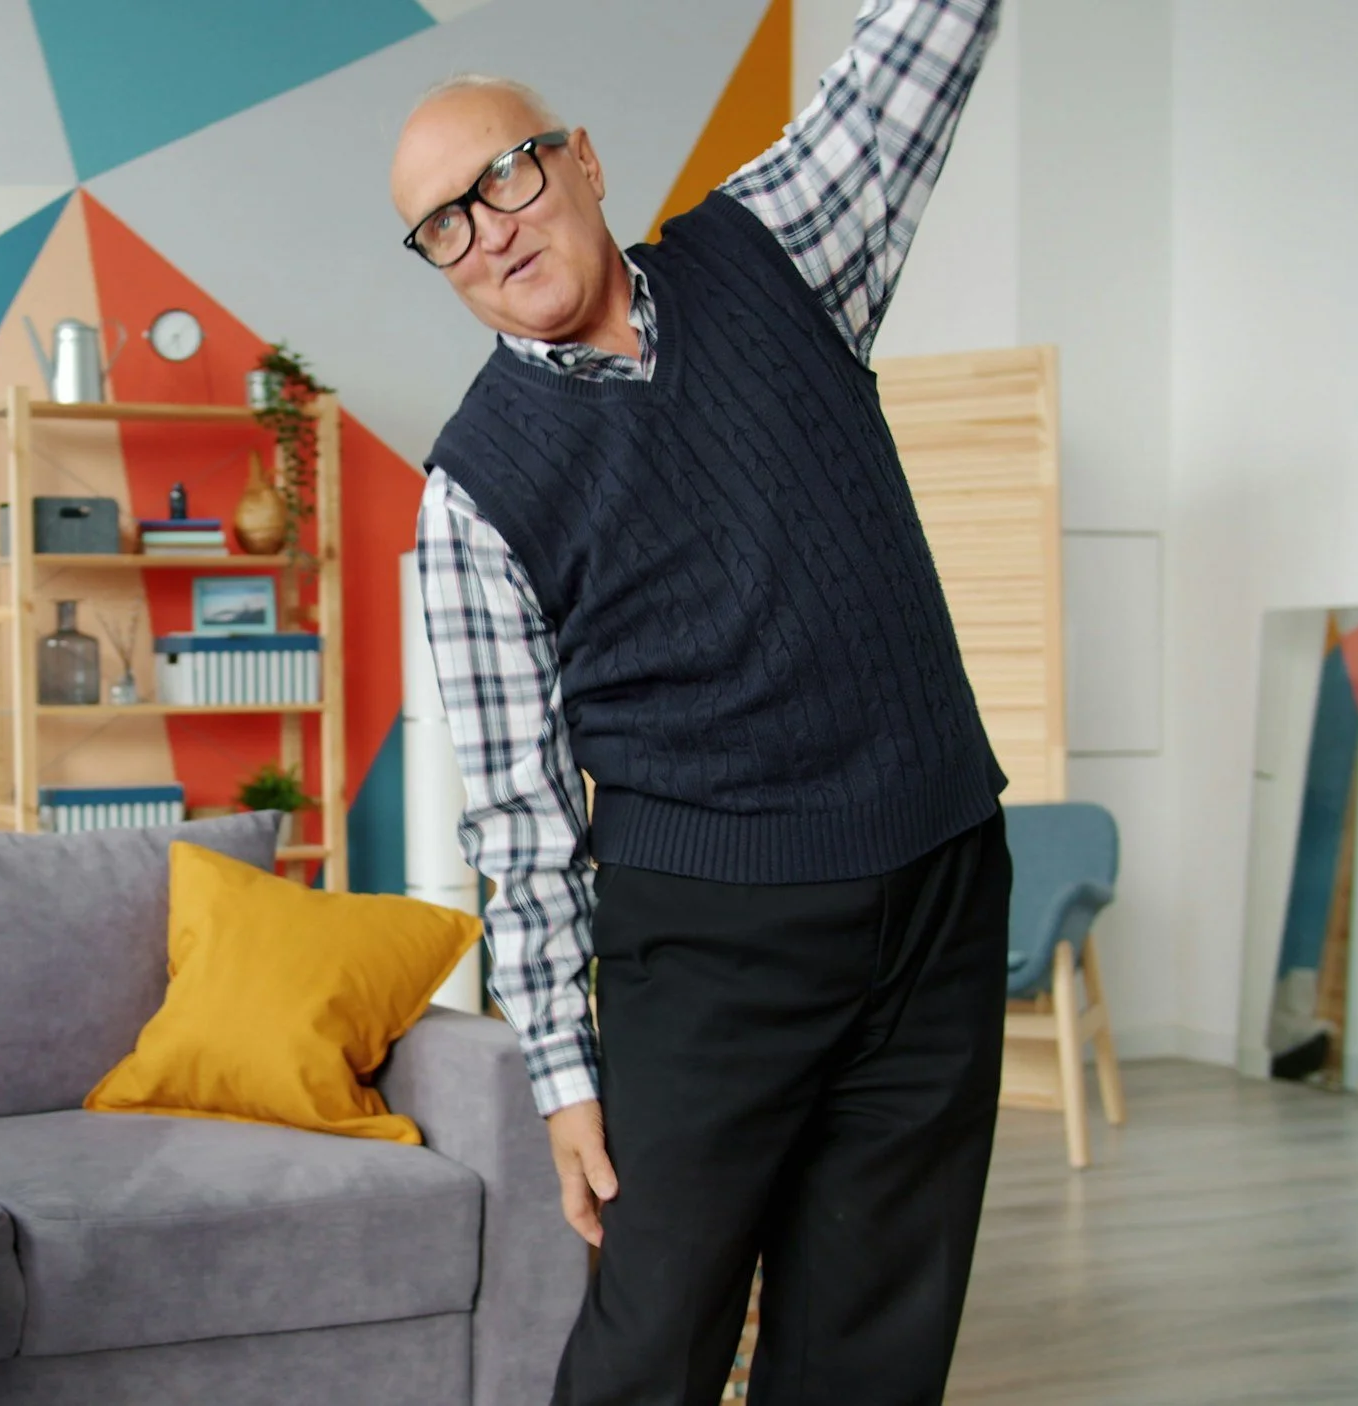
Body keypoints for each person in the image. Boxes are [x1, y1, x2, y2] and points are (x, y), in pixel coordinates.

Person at [396, 2, 1007, 1403]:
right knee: (652, 1345)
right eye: (443, 226)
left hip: (940, 883)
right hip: (714, 944)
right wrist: (561, 1071)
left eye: (505, 176)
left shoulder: (779, 247)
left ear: (585, 162)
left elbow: (916, 50)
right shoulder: (474, 494)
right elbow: (520, 815)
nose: (487, 229)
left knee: (877, 1340)